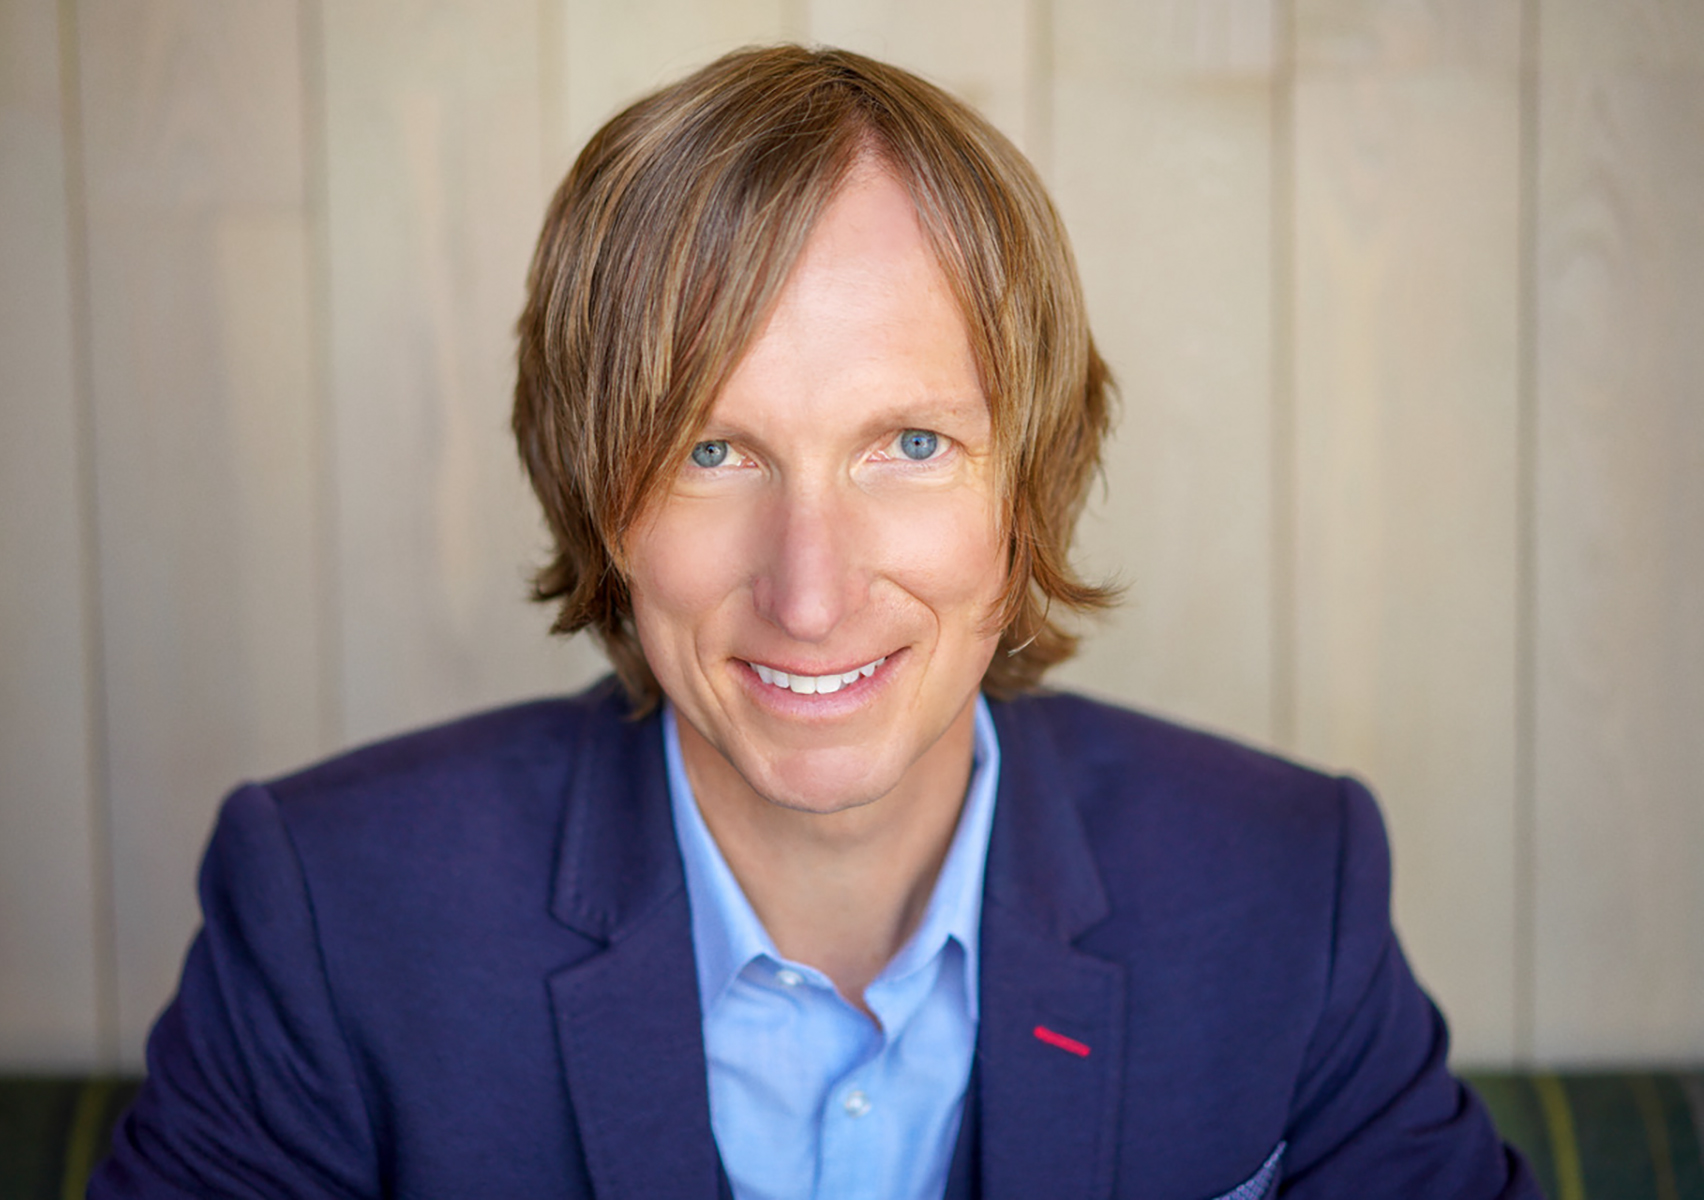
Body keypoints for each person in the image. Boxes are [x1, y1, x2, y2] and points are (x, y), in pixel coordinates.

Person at [91, 44, 1539, 1200]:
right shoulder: (336, 912)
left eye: (907, 445)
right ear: (600, 500)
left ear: (1025, 488)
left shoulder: (1285, 890)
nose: (810, 588)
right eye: (710, 453)